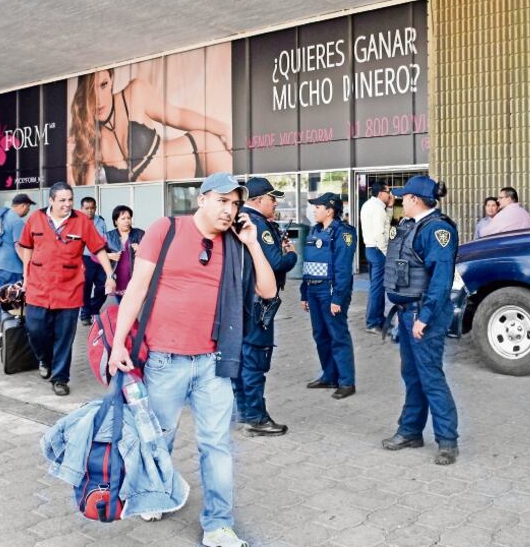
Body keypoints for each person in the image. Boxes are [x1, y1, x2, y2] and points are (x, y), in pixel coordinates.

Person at [107, 172, 276, 547]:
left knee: (216, 445)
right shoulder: (165, 229)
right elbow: (137, 287)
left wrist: (252, 244)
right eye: (223, 201)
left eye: (235, 204)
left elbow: (268, 289)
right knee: (159, 437)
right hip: (166, 359)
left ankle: (218, 524)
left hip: (215, 362)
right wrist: (119, 344)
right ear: (202, 199)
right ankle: (154, 494)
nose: (230, 210)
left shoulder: (236, 241)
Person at [381, 175, 461, 465]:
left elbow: (441, 280)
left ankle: (448, 440)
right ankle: (411, 431)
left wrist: (423, 318)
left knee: (430, 377)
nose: (401, 201)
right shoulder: (412, 227)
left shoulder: (437, 230)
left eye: (405, 198)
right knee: (412, 375)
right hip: (407, 314)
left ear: (415, 200)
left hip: (423, 315)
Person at [17, 182, 116, 396]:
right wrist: (25, 275)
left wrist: (109, 275)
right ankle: (44, 359)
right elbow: (26, 246)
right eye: (62, 200)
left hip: (69, 288)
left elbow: (98, 249)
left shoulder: (81, 221)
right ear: (51, 201)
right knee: (35, 329)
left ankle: (60, 378)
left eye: (70, 199)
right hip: (38, 286)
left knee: (64, 336)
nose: (67, 204)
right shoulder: (35, 219)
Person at [67, 70, 231, 185]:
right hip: (166, 197)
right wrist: (67, 165)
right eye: (90, 91)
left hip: (200, 151)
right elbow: (87, 197)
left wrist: (224, 129)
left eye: (103, 85)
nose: (98, 100)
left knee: (237, 214)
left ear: (111, 81)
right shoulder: (91, 134)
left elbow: (177, 115)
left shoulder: (134, 94)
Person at [234, 177, 298, 436]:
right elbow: (275, 264)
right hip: (258, 302)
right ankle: (257, 418)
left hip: (242, 301)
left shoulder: (242, 220)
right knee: (255, 360)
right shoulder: (258, 224)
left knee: (241, 360)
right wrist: (291, 254)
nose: (275, 203)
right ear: (258, 200)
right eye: (272, 198)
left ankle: (244, 411)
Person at [300, 192, 358, 399]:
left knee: (338, 336)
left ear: (330, 210)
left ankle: (346, 382)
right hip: (314, 291)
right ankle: (329, 375)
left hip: (330, 291)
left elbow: (343, 269)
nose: (314, 210)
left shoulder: (343, 233)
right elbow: (307, 265)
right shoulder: (315, 231)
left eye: (318, 207)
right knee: (320, 335)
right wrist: (304, 294)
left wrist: (338, 299)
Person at [0, 194, 35, 338]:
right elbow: (19, 247)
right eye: (28, 207)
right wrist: (28, 265)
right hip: (11, 266)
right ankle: (6, 329)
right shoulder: (17, 222)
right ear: (23, 205)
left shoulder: (2, 216)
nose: (28, 210)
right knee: (10, 298)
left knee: (1, 295)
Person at [360, 181, 393, 334]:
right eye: (388, 191)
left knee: (376, 286)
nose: (390, 194)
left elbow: (385, 224)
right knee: (378, 288)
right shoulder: (378, 208)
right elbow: (380, 233)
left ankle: (377, 319)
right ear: (380, 193)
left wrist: (391, 207)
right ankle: (373, 322)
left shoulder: (369, 205)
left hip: (370, 249)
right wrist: (386, 252)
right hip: (378, 250)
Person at [105, 204, 145, 301]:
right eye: (123, 218)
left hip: (135, 278)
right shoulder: (108, 236)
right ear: (116, 221)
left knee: (135, 306)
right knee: (121, 306)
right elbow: (95, 255)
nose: (127, 221)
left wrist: (141, 250)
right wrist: (108, 255)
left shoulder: (140, 233)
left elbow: (153, 252)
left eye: (129, 218)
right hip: (118, 278)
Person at [79, 196, 108, 326]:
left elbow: (105, 238)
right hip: (85, 258)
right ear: (82, 209)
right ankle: (85, 315)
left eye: (92, 208)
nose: (90, 211)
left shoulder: (101, 221)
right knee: (86, 288)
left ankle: (93, 308)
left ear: (95, 208)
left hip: (100, 258)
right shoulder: (77, 222)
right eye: (87, 208)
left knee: (103, 286)